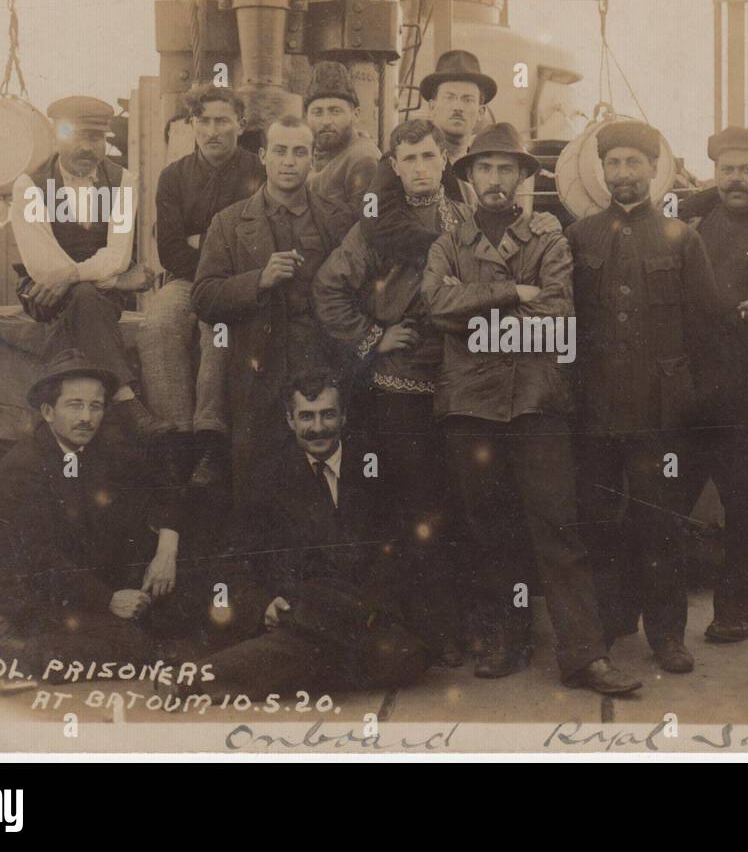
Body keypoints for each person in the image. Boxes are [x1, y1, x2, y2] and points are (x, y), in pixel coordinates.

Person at [422, 122, 641, 695]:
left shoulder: (548, 237)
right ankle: (506, 638)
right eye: (485, 169)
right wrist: (511, 294)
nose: (496, 181)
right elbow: (435, 305)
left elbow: (557, 322)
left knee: (557, 529)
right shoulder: (447, 243)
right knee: (488, 528)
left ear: (524, 178)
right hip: (471, 408)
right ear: (469, 179)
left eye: (507, 170)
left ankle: (584, 655)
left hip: (538, 404)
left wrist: (480, 326)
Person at [313, 117, 474, 666]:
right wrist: (374, 337)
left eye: (429, 157)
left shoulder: (466, 217)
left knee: (463, 501)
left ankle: (469, 620)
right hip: (401, 384)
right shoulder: (377, 226)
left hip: (462, 380)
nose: (420, 169)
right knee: (416, 507)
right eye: (408, 160)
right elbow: (329, 287)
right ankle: (435, 630)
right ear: (394, 165)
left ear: (444, 160)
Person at [566, 120, 719, 674]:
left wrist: (690, 404)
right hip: (596, 410)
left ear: (656, 169)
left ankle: (667, 635)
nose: (624, 174)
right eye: (614, 164)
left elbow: (706, 331)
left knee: (661, 522)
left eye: (635, 163)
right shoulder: (579, 237)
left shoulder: (684, 239)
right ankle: (610, 622)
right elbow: (565, 328)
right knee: (599, 520)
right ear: (601, 171)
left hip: (661, 415)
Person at [0, 350, 190, 673]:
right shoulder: (23, 469)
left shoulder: (100, 447)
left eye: (96, 406)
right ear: (48, 411)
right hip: (25, 592)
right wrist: (108, 599)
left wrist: (166, 550)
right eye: (74, 405)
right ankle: (2, 648)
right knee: (136, 648)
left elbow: (164, 483)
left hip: (76, 582)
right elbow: (41, 560)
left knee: (172, 621)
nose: (87, 417)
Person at [192, 373, 429, 700]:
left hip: (368, 613)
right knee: (316, 626)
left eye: (328, 414)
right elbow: (233, 562)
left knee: (402, 657)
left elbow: (403, 551)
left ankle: (202, 677)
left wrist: (374, 606)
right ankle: (317, 658)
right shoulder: (266, 479)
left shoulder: (376, 467)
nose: (318, 427)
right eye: (306, 416)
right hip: (302, 606)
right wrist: (264, 606)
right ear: (290, 420)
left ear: (344, 416)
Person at [192, 115, 343, 505]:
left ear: (314, 160)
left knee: (328, 482)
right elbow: (204, 297)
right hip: (255, 369)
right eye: (279, 151)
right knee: (258, 487)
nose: (289, 161)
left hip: (323, 365)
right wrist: (258, 280)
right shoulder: (228, 223)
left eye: (299, 152)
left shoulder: (338, 220)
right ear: (262, 156)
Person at [8, 95, 172, 442]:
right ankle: (126, 400)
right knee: (85, 294)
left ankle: (55, 427)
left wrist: (75, 275)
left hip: (96, 296)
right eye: (76, 136)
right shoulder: (29, 186)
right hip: (43, 295)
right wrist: (120, 281)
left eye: (95, 138)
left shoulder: (124, 181)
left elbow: (116, 253)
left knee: (83, 295)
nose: (86, 148)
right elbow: (44, 267)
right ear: (56, 137)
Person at [680, 127, 748, 644]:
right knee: (664, 499)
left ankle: (738, 610)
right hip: (690, 390)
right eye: (727, 170)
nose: (736, 179)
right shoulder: (690, 217)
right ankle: (641, 604)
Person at [140, 85, 265, 488]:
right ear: (192, 125)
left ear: (240, 125)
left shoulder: (257, 172)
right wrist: (216, 251)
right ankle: (176, 436)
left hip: (234, 283)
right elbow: (171, 251)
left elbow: (258, 246)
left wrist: (209, 249)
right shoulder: (173, 177)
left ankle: (210, 435)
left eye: (223, 121)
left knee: (218, 327)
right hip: (186, 279)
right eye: (204, 121)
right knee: (158, 321)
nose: (213, 130)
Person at [304, 61, 382, 234]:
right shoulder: (311, 153)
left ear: (355, 114)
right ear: (306, 117)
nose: (326, 121)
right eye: (317, 112)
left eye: (335, 111)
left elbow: (367, 228)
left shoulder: (364, 159)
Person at [419, 49, 497, 203]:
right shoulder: (408, 160)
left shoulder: (488, 168)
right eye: (450, 98)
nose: (458, 107)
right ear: (432, 107)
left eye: (467, 100)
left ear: (481, 111)